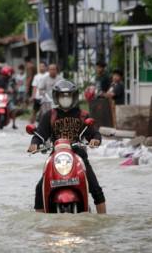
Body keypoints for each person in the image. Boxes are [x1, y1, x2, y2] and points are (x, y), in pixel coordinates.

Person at [28, 80, 106, 214]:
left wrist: (95, 140)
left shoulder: (82, 115)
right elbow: (40, 134)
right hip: (56, 158)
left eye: (68, 95)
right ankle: (40, 225)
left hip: (78, 157)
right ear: (56, 97)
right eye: (62, 96)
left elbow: (94, 132)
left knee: (95, 188)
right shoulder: (50, 115)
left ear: (74, 96)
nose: (65, 98)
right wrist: (34, 143)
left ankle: (103, 219)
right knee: (39, 188)